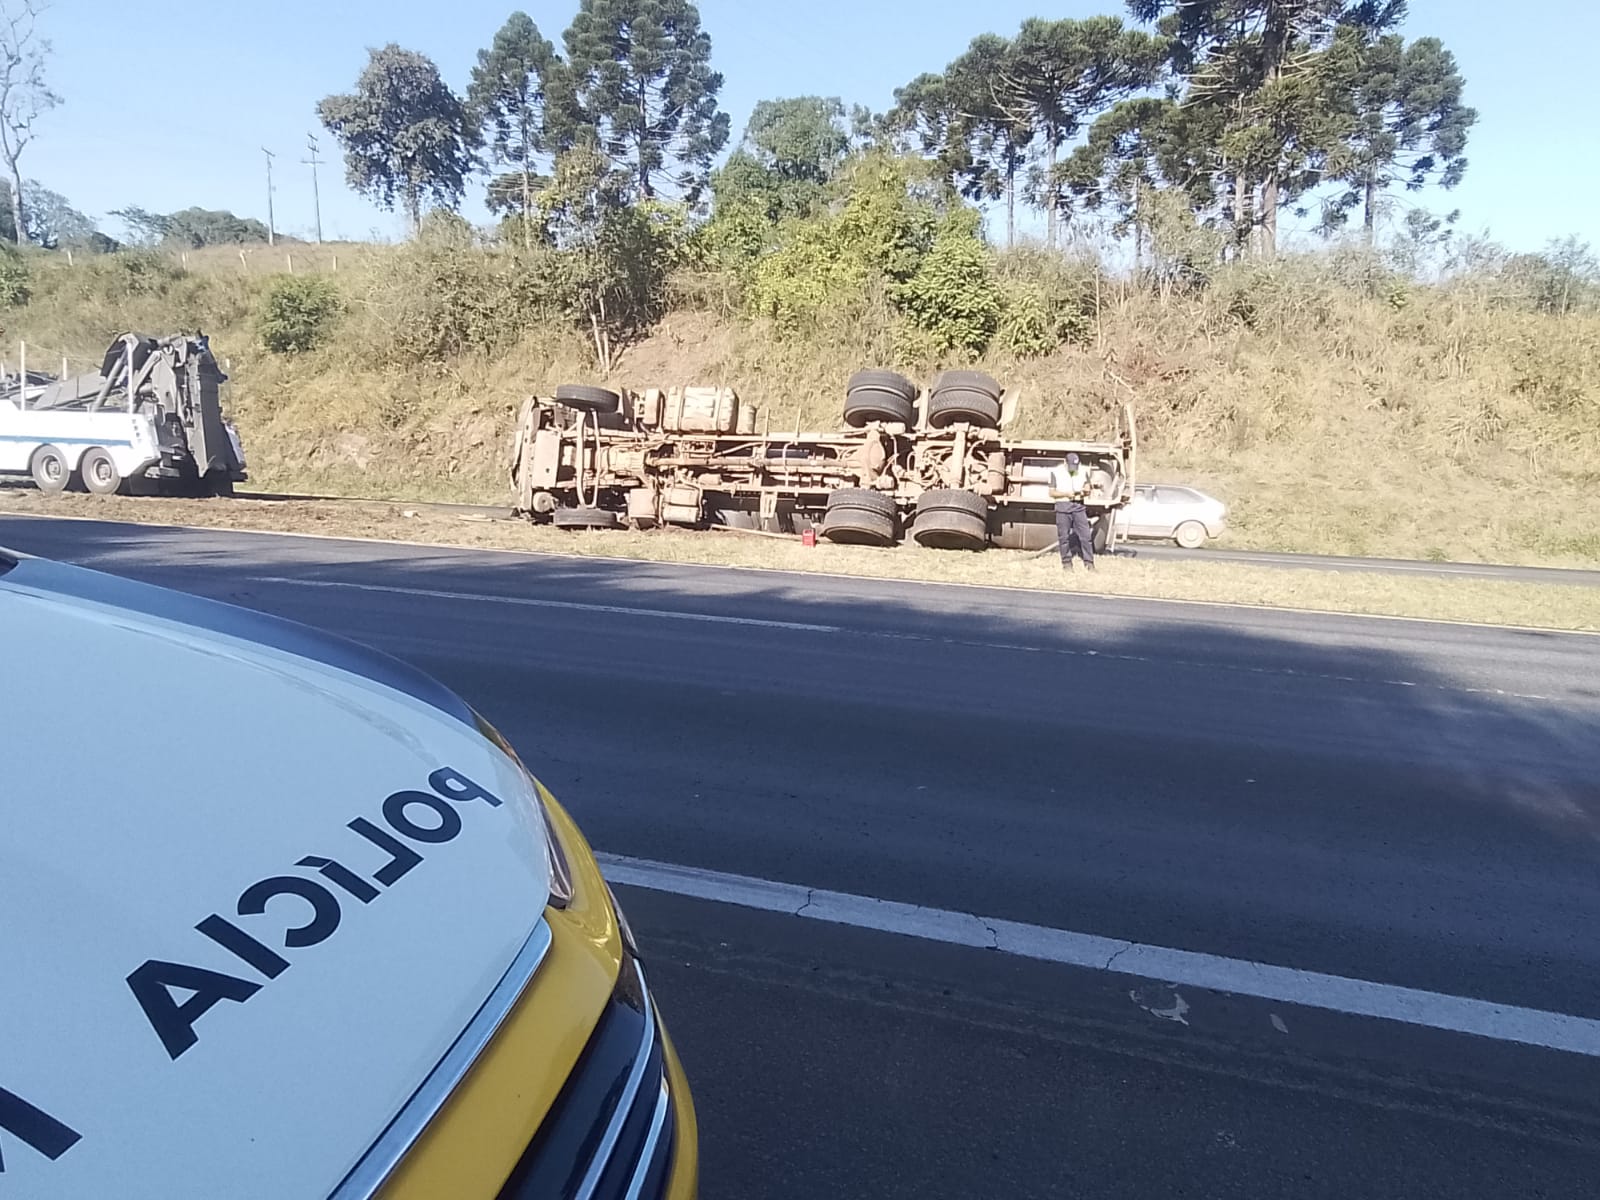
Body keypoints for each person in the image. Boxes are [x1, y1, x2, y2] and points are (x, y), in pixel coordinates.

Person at [1049, 452, 1096, 570]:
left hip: (1078, 506)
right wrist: (1066, 494)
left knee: (1086, 536)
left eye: (1075, 467)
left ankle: (1089, 562)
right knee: (1064, 537)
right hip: (1063, 506)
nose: (1073, 469)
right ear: (1065, 463)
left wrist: (1086, 490)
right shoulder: (1056, 472)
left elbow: (1088, 486)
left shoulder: (1083, 471)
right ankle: (1066, 563)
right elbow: (1051, 492)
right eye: (1070, 466)